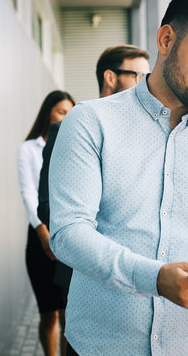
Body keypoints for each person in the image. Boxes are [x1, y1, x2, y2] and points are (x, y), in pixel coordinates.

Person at [48, 0, 188, 355]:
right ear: (166, 40)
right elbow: (69, 233)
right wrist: (154, 279)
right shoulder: (90, 122)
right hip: (99, 347)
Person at [37, 44, 150, 316]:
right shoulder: (68, 129)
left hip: (137, 279)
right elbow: (45, 204)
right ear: (110, 78)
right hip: (81, 272)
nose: (145, 85)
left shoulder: (147, 134)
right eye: (137, 76)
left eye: (148, 77)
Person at [17, 90, 75, 356]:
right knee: (48, 314)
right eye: (62, 112)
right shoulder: (28, 149)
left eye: (70, 113)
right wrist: (42, 232)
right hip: (39, 236)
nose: (66, 118)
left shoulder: (74, 144)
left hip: (66, 235)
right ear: (48, 114)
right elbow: (29, 192)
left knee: (66, 314)